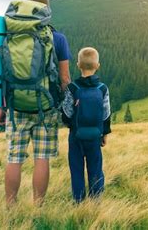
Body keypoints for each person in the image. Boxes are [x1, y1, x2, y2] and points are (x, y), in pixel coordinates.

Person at [0, 0, 71, 206]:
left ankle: (10, 206)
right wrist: (65, 106)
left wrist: (1, 108)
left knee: (14, 158)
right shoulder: (57, 38)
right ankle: (38, 206)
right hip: (46, 107)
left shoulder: (9, 34)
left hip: (15, 106)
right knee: (41, 158)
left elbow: (3, 75)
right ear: (46, 10)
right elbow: (65, 78)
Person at [61, 47, 111, 203]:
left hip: (76, 137)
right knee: (95, 167)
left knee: (76, 169)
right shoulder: (102, 88)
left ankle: (78, 200)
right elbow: (106, 113)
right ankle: (96, 200)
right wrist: (104, 134)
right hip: (95, 136)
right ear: (98, 65)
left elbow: (67, 112)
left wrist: (70, 125)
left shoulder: (72, 88)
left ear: (78, 65)